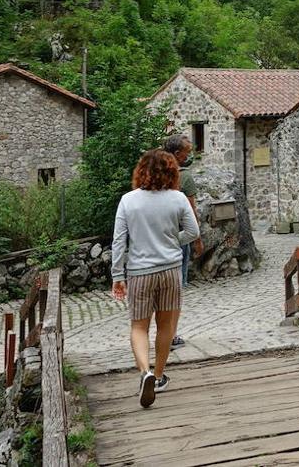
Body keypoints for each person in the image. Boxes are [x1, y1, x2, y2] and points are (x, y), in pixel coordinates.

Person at [111, 148, 200, 408]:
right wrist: (172, 241)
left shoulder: (128, 200)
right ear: (172, 172)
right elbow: (193, 232)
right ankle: (159, 376)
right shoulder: (178, 198)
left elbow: (119, 242)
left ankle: (144, 372)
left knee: (139, 327)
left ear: (141, 171)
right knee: (165, 326)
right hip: (170, 270)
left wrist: (117, 275)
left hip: (140, 272)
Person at [161, 135, 203, 349]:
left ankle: (162, 333)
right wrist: (197, 240)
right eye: (187, 152)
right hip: (178, 238)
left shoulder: (154, 173)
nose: (190, 155)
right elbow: (191, 211)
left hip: (155, 237)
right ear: (178, 154)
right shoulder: (184, 177)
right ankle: (171, 335)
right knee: (176, 287)